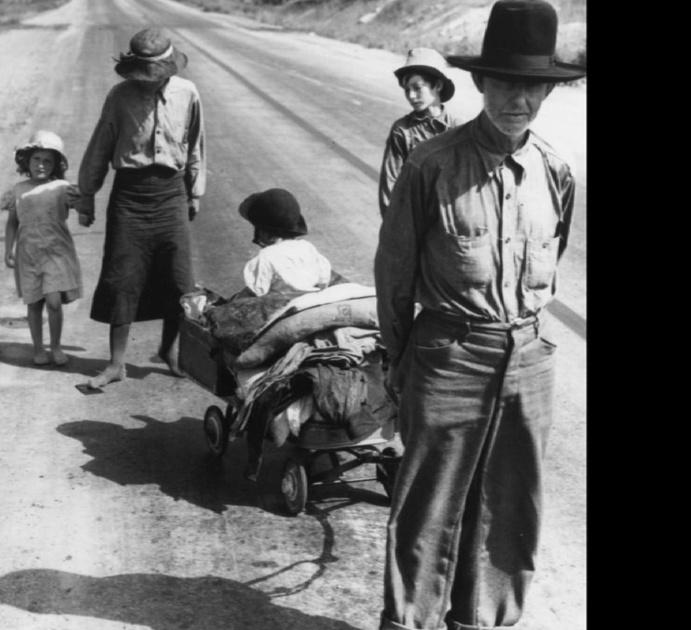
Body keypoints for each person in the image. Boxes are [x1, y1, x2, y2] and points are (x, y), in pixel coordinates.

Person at [372, 1, 585, 629]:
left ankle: (481, 622)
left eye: (532, 86)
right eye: (506, 83)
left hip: (528, 359)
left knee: (511, 510)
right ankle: (409, 621)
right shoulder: (430, 164)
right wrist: (400, 359)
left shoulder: (556, 170)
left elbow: (556, 255)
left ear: (546, 91)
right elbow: (395, 276)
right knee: (428, 509)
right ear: (480, 83)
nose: (518, 98)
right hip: (448, 355)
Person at [76, 27, 205, 389]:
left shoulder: (188, 93)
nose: (150, 82)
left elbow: (195, 143)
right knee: (123, 278)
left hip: (171, 194)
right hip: (130, 199)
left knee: (179, 280)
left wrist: (194, 191)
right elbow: (100, 147)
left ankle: (171, 350)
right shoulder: (119, 96)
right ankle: (116, 364)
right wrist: (87, 197)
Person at [2, 130, 85, 367]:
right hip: (28, 254)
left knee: (54, 301)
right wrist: (8, 249)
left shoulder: (61, 187)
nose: (41, 165)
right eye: (37, 159)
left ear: (56, 165)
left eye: (48, 161)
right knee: (34, 303)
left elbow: (82, 208)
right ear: (26, 161)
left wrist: (82, 203)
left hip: (56, 251)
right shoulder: (18, 190)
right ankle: (38, 348)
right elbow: (12, 223)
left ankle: (56, 346)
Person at [377, 47, 460, 217]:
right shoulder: (402, 130)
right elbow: (389, 186)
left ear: (437, 85)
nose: (411, 96)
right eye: (407, 90)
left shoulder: (458, 128)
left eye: (417, 88)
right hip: (416, 221)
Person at [238, 188, 331, 297]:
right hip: (310, 300)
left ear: (263, 233)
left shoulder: (266, 257)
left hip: (281, 307)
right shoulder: (307, 247)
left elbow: (258, 291)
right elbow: (324, 278)